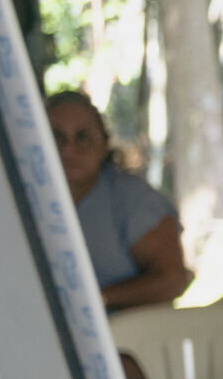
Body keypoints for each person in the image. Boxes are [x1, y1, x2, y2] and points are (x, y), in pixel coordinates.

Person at [47, 92, 188, 312]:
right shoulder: (18, 202)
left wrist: (94, 300)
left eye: (83, 137)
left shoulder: (131, 198)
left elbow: (172, 280)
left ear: (104, 145)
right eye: (57, 137)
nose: (68, 149)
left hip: (126, 330)